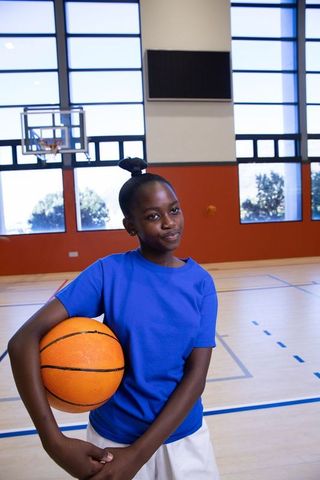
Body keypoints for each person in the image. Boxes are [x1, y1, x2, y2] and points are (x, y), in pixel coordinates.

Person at [8, 157, 220, 480]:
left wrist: (138, 454)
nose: (169, 222)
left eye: (174, 210)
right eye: (153, 216)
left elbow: (196, 379)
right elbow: (22, 341)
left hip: (184, 439)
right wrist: (54, 442)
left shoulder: (202, 284)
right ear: (130, 226)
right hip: (112, 440)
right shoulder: (109, 273)